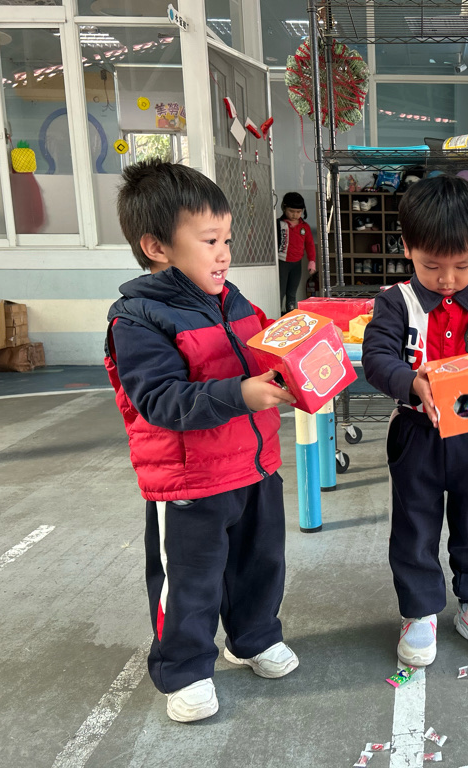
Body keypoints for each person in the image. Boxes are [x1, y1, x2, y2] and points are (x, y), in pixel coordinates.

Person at [105, 160, 299, 723]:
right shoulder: (137, 319)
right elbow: (161, 400)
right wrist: (242, 394)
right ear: (156, 247)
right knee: (189, 580)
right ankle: (185, 668)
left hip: (255, 466)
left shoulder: (234, 300)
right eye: (210, 241)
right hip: (190, 481)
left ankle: (254, 638)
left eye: (227, 240)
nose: (224, 254)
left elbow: (262, 353)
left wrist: (297, 358)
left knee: (260, 564)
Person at [362, 175, 468, 667]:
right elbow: (376, 358)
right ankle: (419, 611)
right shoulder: (396, 302)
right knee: (414, 523)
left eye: (463, 265)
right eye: (432, 266)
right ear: (407, 248)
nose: (448, 279)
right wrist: (411, 381)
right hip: (416, 434)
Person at [277, 192, 317, 312]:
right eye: (291, 211)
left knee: (292, 292)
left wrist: (312, 261)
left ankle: (290, 314)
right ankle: (276, 313)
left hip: (296, 264)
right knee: (280, 291)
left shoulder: (305, 227)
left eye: (298, 212)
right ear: (284, 208)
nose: (295, 215)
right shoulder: (279, 224)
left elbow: (310, 245)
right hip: (282, 262)